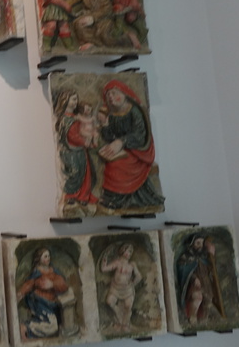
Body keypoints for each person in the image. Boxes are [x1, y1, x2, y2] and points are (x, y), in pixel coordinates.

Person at [96, 79, 164, 211]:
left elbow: (140, 135)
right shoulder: (112, 114)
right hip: (123, 149)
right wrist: (105, 125)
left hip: (138, 151)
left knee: (118, 165)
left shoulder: (134, 111)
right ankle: (112, 197)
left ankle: (119, 200)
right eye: (108, 96)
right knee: (111, 163)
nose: (111, 98)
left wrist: (121, 142)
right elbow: (110, 137)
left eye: (114, 93)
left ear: (124, 93)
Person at [53, 89, 98, 207]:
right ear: (65, 100)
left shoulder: (76, 117)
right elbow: (72, 136)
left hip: (79, 151)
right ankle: (71, 196)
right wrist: (85, 141)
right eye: (73, 99)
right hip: (71, 151)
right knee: (74, 174)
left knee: (85, 174)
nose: (75, 102)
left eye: (76, 99)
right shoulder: (66, 119)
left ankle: (83, 196)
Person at [17, 248, 70, 339]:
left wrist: (52, 284)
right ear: (39, 259)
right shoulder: (37, 273)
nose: (48, 258)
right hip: (40, 303)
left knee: (57, 324)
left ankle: (27, 327)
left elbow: (63, 285)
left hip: (52, 304)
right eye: (45, 256)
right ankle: (26, 327)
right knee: (52, 327)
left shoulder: (53, 271)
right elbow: (28, 285)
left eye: (49, 256)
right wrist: (20, 293)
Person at [176, 234, 221, 325]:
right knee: (197, 297)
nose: (200, 245)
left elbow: (211, 269)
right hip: (193, 284)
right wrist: (194, 278)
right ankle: (192, 317)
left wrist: (212, 254)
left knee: (208, 301)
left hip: (205, 284)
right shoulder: (186, 257)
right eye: (197, 243)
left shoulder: (204, 258)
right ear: (191, 244)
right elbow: (182, 269)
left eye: (202, 243)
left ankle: (203, 320)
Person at [99, 243, 142, 332]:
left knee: (128, 306)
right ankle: (119, 318)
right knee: (109, 301)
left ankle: (125, 325)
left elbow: (139, 276)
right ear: (122, 251)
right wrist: (104, 259)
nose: (129, 254)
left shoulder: (132, 264)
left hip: (128, 290)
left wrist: (133, 283)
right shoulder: (117, 262)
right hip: (115, 288)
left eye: (130, 252)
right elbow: (104, 269)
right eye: (128, 251)